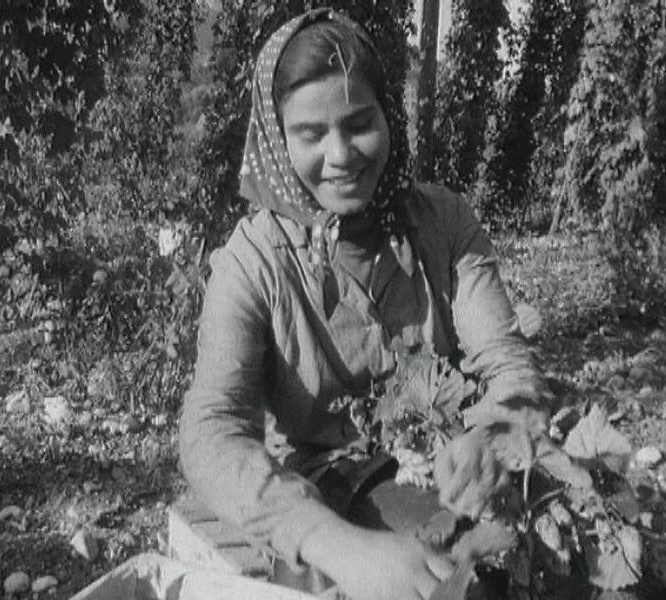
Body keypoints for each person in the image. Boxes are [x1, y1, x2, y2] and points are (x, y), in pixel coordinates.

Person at [180, 8, 548, 600]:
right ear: (278, 140)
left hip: (442, 465)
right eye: (310, 134)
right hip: (323, 492)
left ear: (389, 117)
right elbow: (210, 429)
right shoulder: (253, 262)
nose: (341, 155)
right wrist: (332, 542)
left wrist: (490, 436)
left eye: (359, 123)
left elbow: (507, 363)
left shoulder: (444, 223)